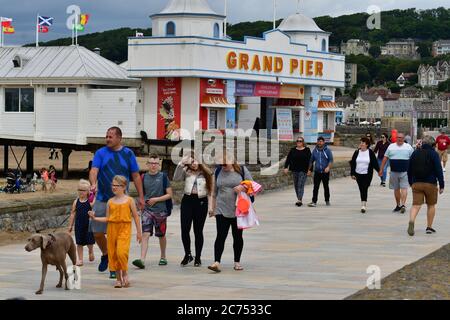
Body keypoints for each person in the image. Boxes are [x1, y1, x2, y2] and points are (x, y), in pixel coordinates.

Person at [89, 127, 144, 279]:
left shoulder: (128, 154)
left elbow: (136, 176)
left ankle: (116, 268)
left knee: (118, 234)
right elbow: (94, 171)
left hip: (121, 200)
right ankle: (106, 254)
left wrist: (141, 196)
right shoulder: (100, 153)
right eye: (106, 136)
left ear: (119, 138)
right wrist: (93, 183)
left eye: (110, 136)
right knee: (97, 232)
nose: (107, 139)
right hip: (102, 198)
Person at [89, 175, 142, 288]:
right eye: (112, 185)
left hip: (124, 229)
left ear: (123, 187)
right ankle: (118, 279)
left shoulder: (129, 200)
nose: (113, 187)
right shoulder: (110, 202)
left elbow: (136, 217)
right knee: (113, 254)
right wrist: (95, 218)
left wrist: (139, 232)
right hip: (112, 229)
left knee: (121, 252)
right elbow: (108, 218)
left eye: (116, 185)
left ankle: (125, 273)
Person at [208, 152, 253, 273]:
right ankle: (216, 262)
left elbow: (252, 185)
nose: (223, 166)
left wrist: (242, 188)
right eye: (220, 164)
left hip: (238, 209)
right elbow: (214, 192)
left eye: (224, 164)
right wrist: (212, 208)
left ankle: (237, 262)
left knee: (237, 236)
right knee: (220, 236)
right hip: (221, 209)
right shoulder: (218, 171)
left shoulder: (241, 170)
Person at [132, 154, 173, 269]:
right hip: (147, 210)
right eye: (151, 163)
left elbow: (169, 195)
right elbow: (141, 193)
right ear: (147, 164)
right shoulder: (143, 177)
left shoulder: (163, 177)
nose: (153, 165)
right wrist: (140, 203)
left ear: (159, 165)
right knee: (145, 234)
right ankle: (142, 259)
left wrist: (156, 199)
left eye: (155, 163)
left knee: (161, 235)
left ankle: (163, 256)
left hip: (161, 211)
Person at [173, 153, 214, 267]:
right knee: (185, 229)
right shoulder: (186, 171)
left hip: (201, 201)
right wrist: (181, 163)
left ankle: (198, 257)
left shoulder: (206, 172)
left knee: (198, 231)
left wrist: (210, 207)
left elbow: (210, 191)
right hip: (187, 200)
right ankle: (188, 254)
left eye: (195, 161)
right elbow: (175, 178)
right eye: (191, 162)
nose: (194, 164)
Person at [407, 135, 444, 236]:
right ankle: (429, 227)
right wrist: (442, 185)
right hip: (430, 184)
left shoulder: (415, 153)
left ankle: (411, 221)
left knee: (415, 205)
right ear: (432, 144)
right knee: (431, 205)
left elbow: (409, 169)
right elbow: (438, 170)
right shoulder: (434, 154)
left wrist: (411, 182)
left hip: (416, 183)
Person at [379, 132, 414, 213]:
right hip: (394, 172)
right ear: (396, 138)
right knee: (396, 189)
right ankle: (398, 205)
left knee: (404, 188)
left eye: (401, 138)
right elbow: (385, 158)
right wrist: (381, 169)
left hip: (405, 172)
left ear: (404, 138)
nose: (399, 139)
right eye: (398, 137)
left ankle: (403, 204)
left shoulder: (408, 147)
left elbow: (413, 159)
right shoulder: (391, 146)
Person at [68, 179, 95, 266]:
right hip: (79, 225)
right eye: (79, 190)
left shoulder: (90, 202)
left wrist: (94, 193)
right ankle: (80, 259)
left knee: (89, 242)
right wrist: (70, 225)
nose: (81, 192)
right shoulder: (76, 202)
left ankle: (90, 251)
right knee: (79, 243)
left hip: (89, 225)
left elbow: (95, 204)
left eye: (83, 190)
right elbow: (72, 214)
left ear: (88, 191)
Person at [349, 138, 380, 213]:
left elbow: (374, 163)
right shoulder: (356, 152)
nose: (361, 144)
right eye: (361, 142)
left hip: (367, 174)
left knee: (365, 187)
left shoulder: (370, 152)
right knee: (361, 188)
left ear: (367, 144)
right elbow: (353, 163)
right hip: (358, 174)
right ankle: (363, 203)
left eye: (363, 143)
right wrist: (352, 174)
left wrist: (380, 171)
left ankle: (363, 204)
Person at [283, 137, 312, 207]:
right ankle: (299, 198)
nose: (299, 142)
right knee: (296, 185)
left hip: (303, 170)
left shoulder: (307, 150)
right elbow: (288, 159)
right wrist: (286, 167)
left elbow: (310, 161)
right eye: (298, 141)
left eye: (300, 141)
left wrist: (310, 170)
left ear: (303, 142)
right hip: (294, 170)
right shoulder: (292, 150)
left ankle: (299, 200)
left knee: (300, 185)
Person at [307, 137, 334, 207]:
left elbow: (331, 160)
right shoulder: (315, 151)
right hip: (317, 172)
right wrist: (309, 170)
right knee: (316, 187)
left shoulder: (327, 150)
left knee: (326, 187)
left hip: (325, 172)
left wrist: (328, 167)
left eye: (321, 141)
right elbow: (311, 161)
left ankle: (327, 200)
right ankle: (314, 201)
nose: (319, 143)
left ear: (324, 142)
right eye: (318, 141)